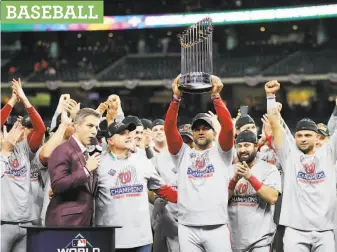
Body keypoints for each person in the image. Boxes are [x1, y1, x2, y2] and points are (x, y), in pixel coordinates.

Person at [164, 75, 234, 252]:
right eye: (197, 129)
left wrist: (216, 97)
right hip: (187, 227)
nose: (201, 131)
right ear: (192, 133)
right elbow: (169, 129)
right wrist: (176, 99)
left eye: (205, 128)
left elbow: (228, 128)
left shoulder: (222, 153)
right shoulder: (183, 154)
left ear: (213, 132)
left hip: (216, 226)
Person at [266, 80, 337, 252]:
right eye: (299, 135)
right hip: (295, 230)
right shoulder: (289, 156)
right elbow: (275, 124)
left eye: (308, 134)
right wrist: (270, 96)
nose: (303, 138)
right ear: (295, 138)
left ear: (317, 137)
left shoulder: (328, 153)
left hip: (325, 229)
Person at [95, 121, 177, 252]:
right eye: (122, 134)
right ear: (110, 140)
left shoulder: (141, 160)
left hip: (141, 237)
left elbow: (163, 190)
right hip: (110, 239)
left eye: (128, 133)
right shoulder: (98, 164)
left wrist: (187, 198)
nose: (128, 136)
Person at [45, 108, 101, 226]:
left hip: (84, 222)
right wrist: (86, 170)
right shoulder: (62, 150)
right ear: (77, 126)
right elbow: (58, 185)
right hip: (65, 223)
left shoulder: (89, 153)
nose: (94, 131)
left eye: (96, 127)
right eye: (90, 125)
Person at [228, 130, 281, 252]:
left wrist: (249, 177)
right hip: (232, 240)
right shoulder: (229, 170)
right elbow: (221, 201)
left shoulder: (269, 169)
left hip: (260, 241)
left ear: (256, 147)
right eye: (239, 146)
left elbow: (272, 198)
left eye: (247, 145)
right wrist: (234, 180)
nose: (242, 150)